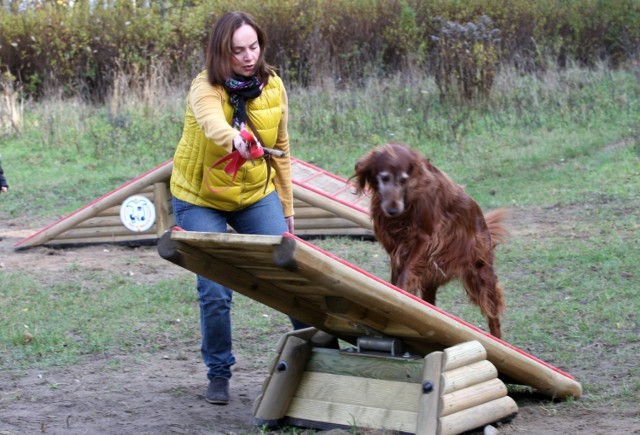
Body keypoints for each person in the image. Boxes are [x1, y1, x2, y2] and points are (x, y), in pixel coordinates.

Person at [169, 11, 305, 405]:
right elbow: (213, 124)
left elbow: (282, 149)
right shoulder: (204, 87)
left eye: (253, 47)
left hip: (254, 195)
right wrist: (234, 139)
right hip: (200, 198)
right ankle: (219, 373)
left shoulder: (273, 86)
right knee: (214, 289)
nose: (248, 57)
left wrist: (287, 208)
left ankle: (320, 353)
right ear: (220, 52)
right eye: (237, 51)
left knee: (290, 269)